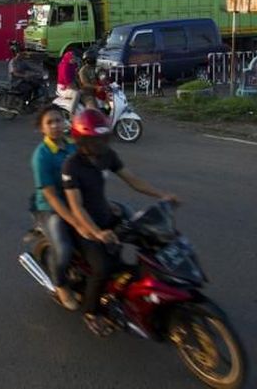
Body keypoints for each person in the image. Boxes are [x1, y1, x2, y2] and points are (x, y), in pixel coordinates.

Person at [62, 109, 178, 336]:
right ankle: (91, 312)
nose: (100, 144)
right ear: (82, 140)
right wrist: (97, 232)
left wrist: (162, 195)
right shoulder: (71, 165)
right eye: (94, 139)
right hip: (84, 226)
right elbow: (77, 207)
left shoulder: (107, 155)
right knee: (103, 268)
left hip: (106, 215)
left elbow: (133, 181)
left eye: (102, 138)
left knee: (147, 237)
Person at [31, 105, 84, 310]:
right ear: (42, 129)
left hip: (74, 199)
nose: (55, 125)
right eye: (49, 122)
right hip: (50, 208)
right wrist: (74, 220)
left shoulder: (72, 146)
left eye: (58, 120)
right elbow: (51, 197)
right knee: (64, 249)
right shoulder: (41, 156)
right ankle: (61, 285)